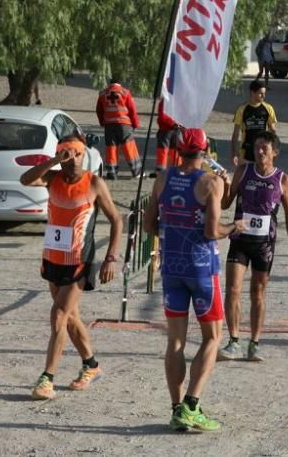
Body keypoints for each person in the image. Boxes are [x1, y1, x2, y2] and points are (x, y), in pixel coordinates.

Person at [143, 127, 239, 432]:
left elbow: (148, 224)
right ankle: (191, 405)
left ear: (178, 150)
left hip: (171, 266)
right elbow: (213, 230)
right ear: (206, 150)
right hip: (201, 268)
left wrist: (173, 229)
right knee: (212, 337)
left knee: (176, 341)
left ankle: (175, 409)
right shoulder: (211, 181)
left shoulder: (163, 178)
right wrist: (233, 227)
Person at [20, 134, 123, 400]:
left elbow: (116, 220)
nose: (72, 159)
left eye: (77, 153)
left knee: (58, 315)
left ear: (84, 154)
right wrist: (54, 160)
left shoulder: (94, 183)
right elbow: (25, 179)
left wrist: (111, 257)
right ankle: (91, 365)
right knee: (71, 317)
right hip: (53, 258)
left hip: (80, 259)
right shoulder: (52, 178)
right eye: (67, 153)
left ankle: (47, 379)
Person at [218, 131, 288, 363]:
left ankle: (254, 343)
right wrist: (225, 184)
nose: (260, 151)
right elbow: (225, 203)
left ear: (275, 151)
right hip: (239, 240)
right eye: (256, 147)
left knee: (258, 293)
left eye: (264, 147)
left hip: (264, 245)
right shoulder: (243, 172)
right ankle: (234, 341)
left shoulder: (282, 179)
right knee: (233, 288)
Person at [96, 77, 142, 179]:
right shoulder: (125, 92)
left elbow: (99, 110)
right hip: (123, 124)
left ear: (110, 83)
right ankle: (136, 172)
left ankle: (112, 172)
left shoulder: (103, 93)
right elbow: (132, 110)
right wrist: (135, 124)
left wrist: (102, 122)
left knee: (111, 148)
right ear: (120, 83)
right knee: (129, 147)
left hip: (109, 125)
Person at [231, 80, 277, 167]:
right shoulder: (242, 109)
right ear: (252, 93)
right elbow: (235, 134)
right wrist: (234, 153)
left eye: (264, 93)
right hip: (246, 151)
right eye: (260, 93)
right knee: (245, 177)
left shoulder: (268, 108)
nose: (264, 96)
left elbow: (272, 131)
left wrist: (273, 149)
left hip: (263, 151)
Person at [150, 99, 181, 178]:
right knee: (170, 150)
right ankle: (175, 170)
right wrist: (175, 123)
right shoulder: (176, 100)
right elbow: (163, 116)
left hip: (168, 130)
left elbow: (162, 116)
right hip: (170, 129)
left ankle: (164, 170)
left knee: (171, 151)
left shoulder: (166, 101)